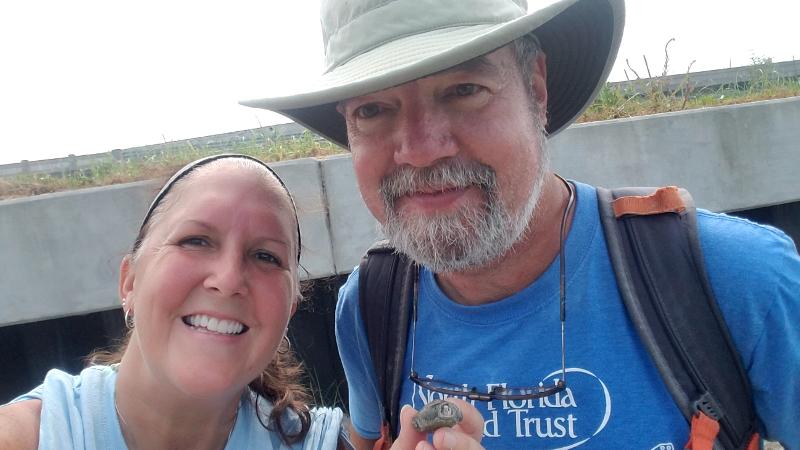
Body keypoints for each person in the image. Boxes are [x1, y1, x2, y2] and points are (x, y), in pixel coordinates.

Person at [239, 1, 800, 448]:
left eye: (464, 90)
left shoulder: (738, 279)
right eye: (372, 110)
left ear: (536, 88)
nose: (421, 150)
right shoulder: (370, 308)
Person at [0, 154, 486, 450]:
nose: (230, 278)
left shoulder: (321, 444)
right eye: (195, 241)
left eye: (264, 256)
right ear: (129, 280)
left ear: (290, 307)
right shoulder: (29, 437)